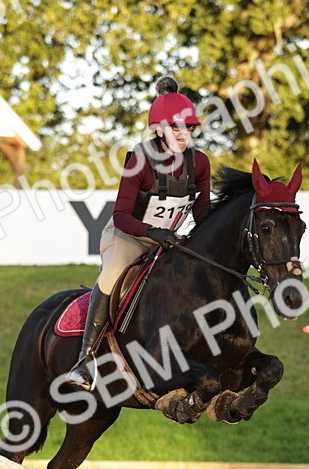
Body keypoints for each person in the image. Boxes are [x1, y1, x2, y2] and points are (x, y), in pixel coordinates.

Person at [67, 76, 213, 391]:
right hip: (129, 237)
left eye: (189, 128)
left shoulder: (199, 163)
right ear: (159, 129)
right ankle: (85, 360)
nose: (184, 134)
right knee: (111, 276)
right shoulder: (140, 161)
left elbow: (202, 213)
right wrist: (153, 232)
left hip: (168, 240)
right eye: (177, 128)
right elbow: (120, 216)